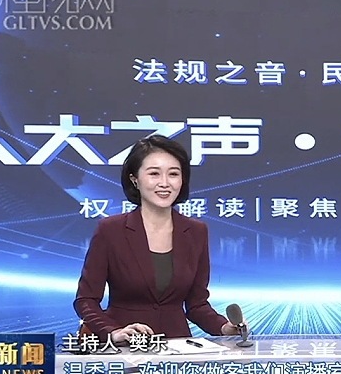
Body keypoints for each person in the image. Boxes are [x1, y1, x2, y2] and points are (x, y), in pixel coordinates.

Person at [74, 135, 243, 344]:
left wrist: (224, 327)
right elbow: (86, 300)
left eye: (173, 174)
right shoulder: (110, 230)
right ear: (134, 179)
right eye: (154, 173)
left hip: (177, 349)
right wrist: (113, 331)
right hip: (126, 348)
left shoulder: (196, 231)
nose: (164, 183)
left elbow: (197, 305)